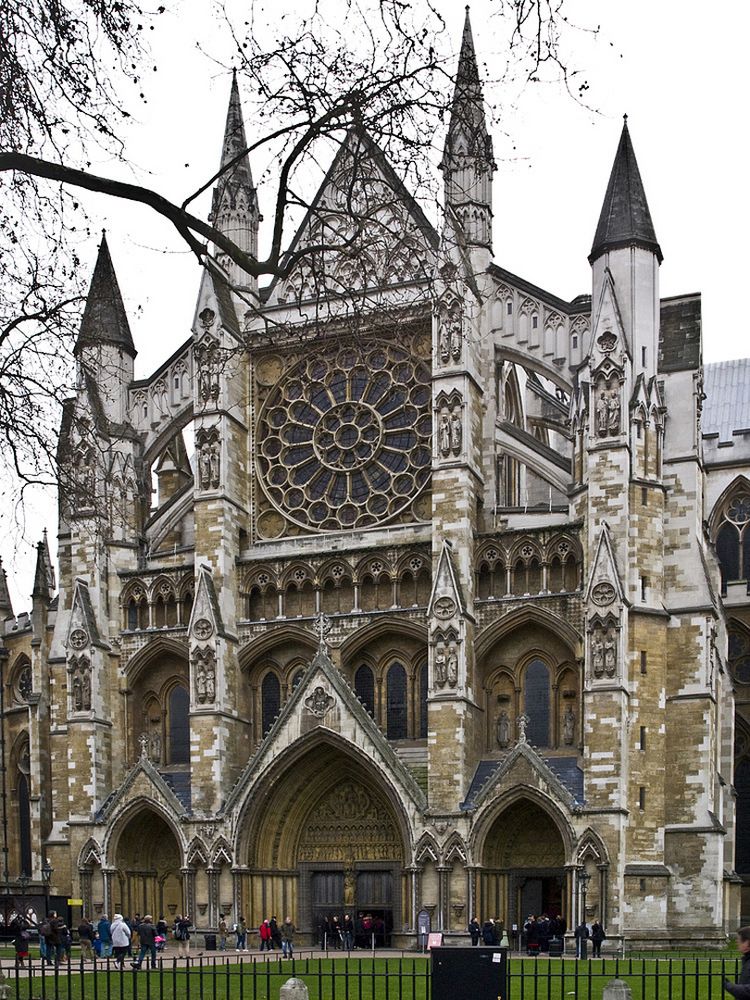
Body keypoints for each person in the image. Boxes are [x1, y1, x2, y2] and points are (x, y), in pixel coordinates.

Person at [725, 927, 750, 998]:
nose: (737, 942)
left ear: (747, 943)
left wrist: (730, 986)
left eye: (739, 940)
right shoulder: (747, 960)